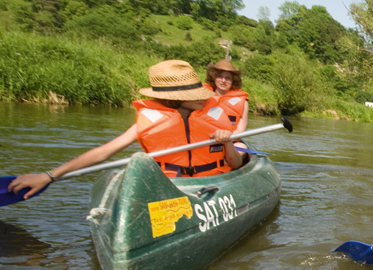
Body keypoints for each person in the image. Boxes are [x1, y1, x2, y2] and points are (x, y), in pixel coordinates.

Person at [6, 60, 242, 199]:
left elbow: (236, 165)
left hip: (212, 186)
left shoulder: (214, 119)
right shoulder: (152, 120)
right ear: (173, 99)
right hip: (170, 186)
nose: (203, 98)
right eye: (193, 96)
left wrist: (227, 141)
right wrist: (48, 175)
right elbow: (103, 153)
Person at [204, 60, 249, 133]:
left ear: (233, 81)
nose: (223, 80)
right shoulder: (203, 97)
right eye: (220, 77)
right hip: (205, 139)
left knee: (241, 145)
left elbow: (241, 130)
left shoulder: (244, 102)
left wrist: (225, 138)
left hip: (230, 140)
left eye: (228, 78)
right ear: (214, 77)